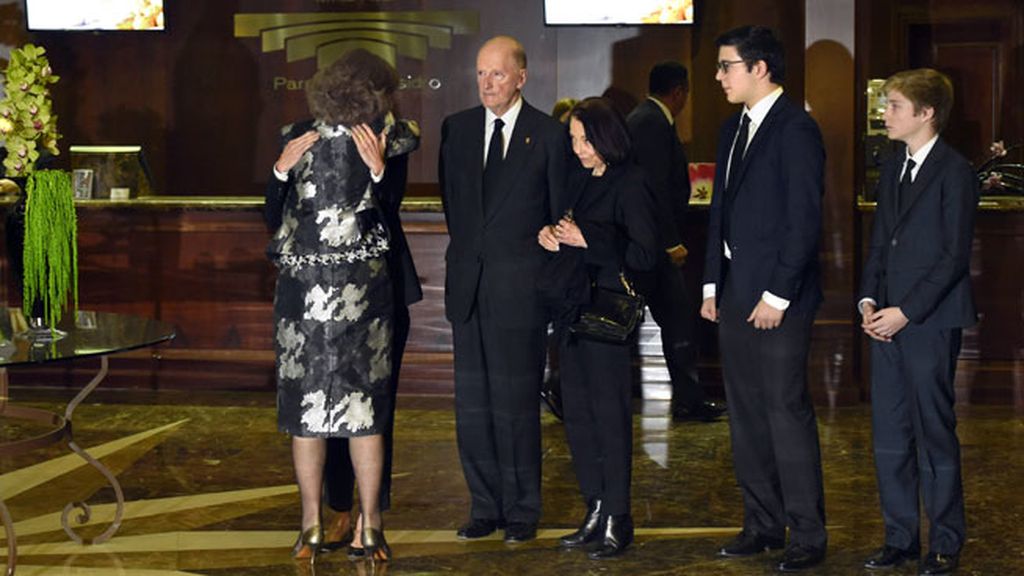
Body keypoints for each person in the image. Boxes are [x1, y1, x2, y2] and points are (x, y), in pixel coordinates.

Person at [264, 49, 419, 564]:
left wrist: (376, 173)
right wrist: (281, 171)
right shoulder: (317, 134)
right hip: (336, 296)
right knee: (346, 413)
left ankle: (335, 524)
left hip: (334, 295)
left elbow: (276, 222)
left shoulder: (383, 136)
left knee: (337, 414)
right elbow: (278, 212)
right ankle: (349, 523)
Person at [700, 26, 827, 572]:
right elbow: (719, 212)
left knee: (784, 412)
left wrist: (778, 294)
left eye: (727, 66)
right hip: (735, 295)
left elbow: (803, 221)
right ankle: (761, 523)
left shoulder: (797, 129)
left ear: (760, 69)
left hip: (780, 298)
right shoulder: (732, 129)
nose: (718, 75)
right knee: (747, 414)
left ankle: (808, 534)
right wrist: (711, 286)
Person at [438, 35, 567, 543]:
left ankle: (521, 511)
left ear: (521, 77)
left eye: (497, 74)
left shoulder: (549, 135)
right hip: (468, 288)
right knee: (472, 407)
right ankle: (483, 506)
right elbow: (456, 209)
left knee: (516, 407)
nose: (487, 84)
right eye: (480, 74)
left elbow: (558, 215)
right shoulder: (458, 129)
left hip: (521, 292)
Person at [858, 69, 977, 576]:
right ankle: (900, 538)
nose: (886, 114)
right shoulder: (892, 166)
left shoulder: (955, 171)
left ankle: (946, 542)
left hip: (926, 321)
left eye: (895, 106)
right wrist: (867, 300)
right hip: (883, 320)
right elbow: (880, 242)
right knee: (889, 435)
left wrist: (905, 312)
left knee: (933, 433)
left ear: (926, 114)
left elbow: (952, 259)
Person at [538, 97, 659, 559]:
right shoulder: (576, 179)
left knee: (610, 419)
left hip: (607, 317)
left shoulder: (632, 182)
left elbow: (646, 254)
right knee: (580, 420)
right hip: (571, 311)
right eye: (573, 140)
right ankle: (594, 507)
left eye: (584, 140)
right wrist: (548, 235)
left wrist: (589, 239)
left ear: (606, 137)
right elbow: (564, 230)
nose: (579, 149)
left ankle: (619, 516)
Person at [320, 124, 423, 558]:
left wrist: (378, 167)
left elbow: (386, 207)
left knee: (375, 410)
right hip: (328, 296)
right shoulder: (318, 143)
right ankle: (340, 509)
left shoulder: (392, 138)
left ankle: (370, 516)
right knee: (331, 409)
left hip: (382, 294)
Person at [626, 61, 725, 422]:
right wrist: (670, 241)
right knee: (677, 319)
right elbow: (655, 189)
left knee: (674, 320)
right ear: (679, 91)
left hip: (649, 243)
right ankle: (689, 399)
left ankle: (689, 397)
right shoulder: (651, 122)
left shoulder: (644, 118)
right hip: (652, 246)